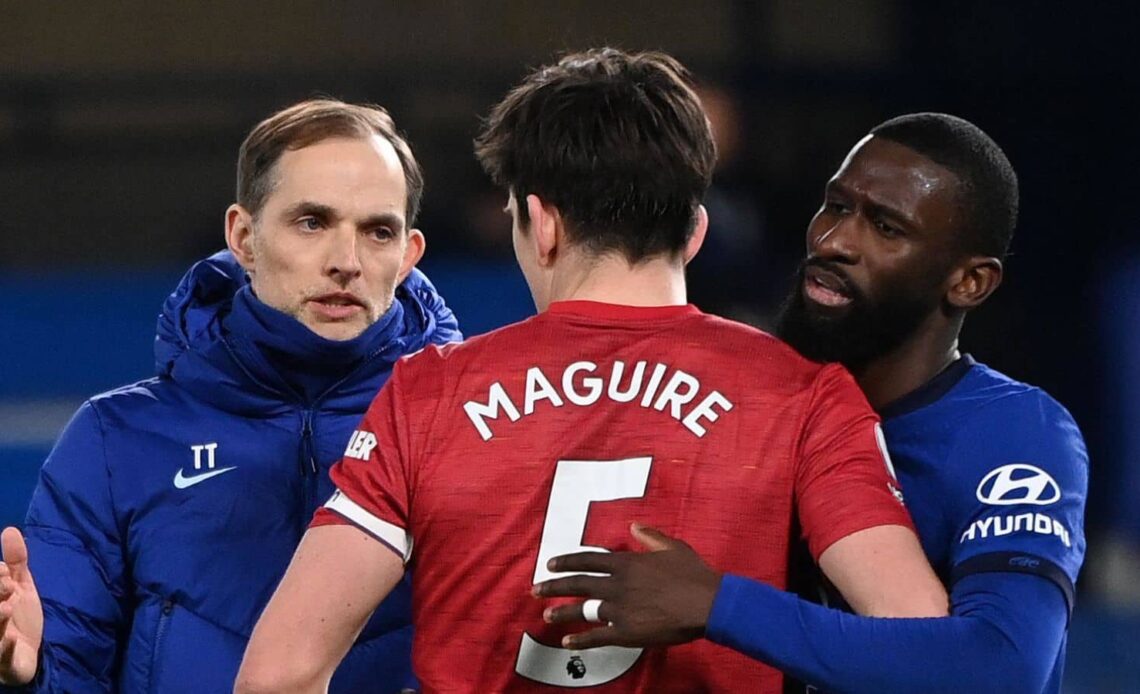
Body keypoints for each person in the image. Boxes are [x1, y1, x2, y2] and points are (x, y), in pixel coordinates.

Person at [236, 49, 950, 694]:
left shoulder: (429, 394)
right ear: (695, 231)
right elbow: (928, 650)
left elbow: (281, 675)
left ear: (540, 224)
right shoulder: (803, 396)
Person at [535, 113, 1088, 694]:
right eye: (836, 205)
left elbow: (1002, 668)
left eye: (886, 227)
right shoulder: (741, 400)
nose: (834, 241)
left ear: (969, 282)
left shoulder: (1014, 433)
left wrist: (719, 605)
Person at [0, 98, 461, 693]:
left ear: (408, 257)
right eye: (312, 222)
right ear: (243, 236)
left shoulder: (471, 424)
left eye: (377, 232)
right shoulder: (116, 439)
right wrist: (26, 673)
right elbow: (61, 667)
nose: (346, 262)